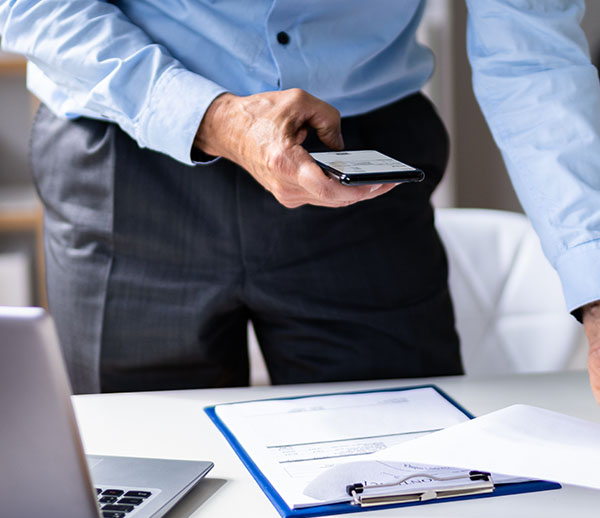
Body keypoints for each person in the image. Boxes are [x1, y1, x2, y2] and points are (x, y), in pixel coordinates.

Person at [1, 2, 600, 400]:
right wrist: (207, 117)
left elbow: (534, 56)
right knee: (142, 486)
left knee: (410, 472)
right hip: (128, 154)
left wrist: (595, 284)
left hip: (356, 164)